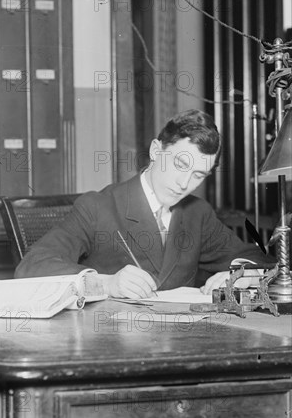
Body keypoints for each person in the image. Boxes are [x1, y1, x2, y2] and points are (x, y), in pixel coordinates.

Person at [15, 109, 272, 298]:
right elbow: (32, 266)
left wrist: (240, 275)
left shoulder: (197, 213)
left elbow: (257, 258)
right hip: (110, 348)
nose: (184, 184)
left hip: (182, 345)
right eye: (180, 165)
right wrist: (106, 284)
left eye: (198, 175)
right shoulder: (98, 206)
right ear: (156, 151)